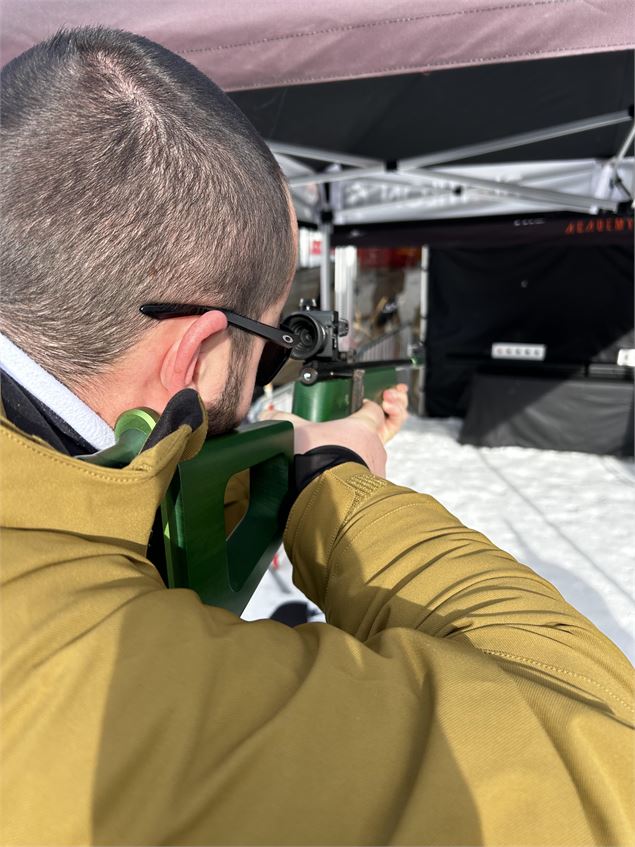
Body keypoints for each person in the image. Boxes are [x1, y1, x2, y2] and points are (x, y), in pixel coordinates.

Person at [0, 27, 632, 847]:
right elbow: (598, 747)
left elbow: (113, 489)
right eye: (267, 351)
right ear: (193, 354)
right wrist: (336, 476)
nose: (267, 376)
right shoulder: (99, 678)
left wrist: (286, 453)